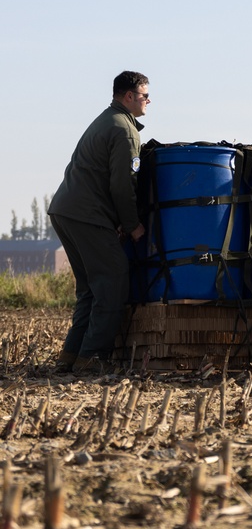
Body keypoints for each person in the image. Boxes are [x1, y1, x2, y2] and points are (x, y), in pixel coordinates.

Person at [48, 71, 150, 373]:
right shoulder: (125, 130)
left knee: (90, 289)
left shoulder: (106, 119)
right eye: (145, 95)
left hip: (66, 210)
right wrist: (132, 225)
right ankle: (92, 358)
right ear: (128, 96)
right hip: (86, 214)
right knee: (114, 278)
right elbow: (122, 185)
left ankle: (70, 357)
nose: (149, 101)